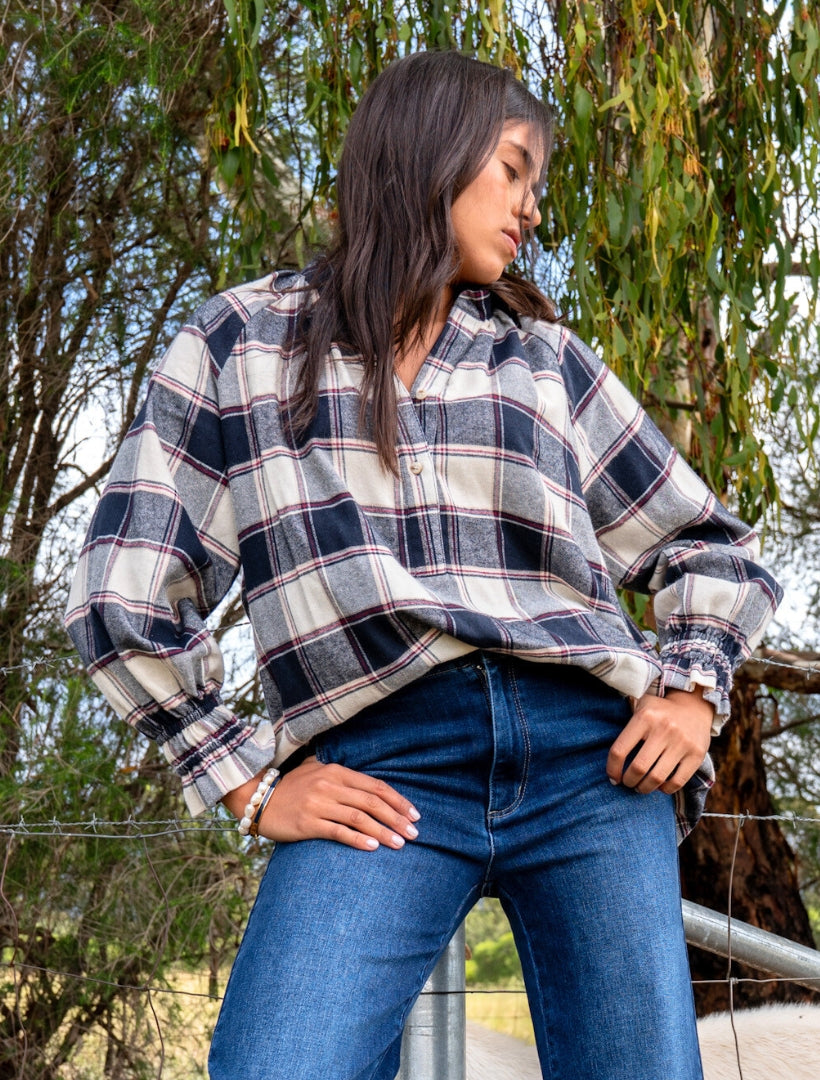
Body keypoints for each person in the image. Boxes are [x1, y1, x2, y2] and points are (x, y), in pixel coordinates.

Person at [65, 50, 781, 1080]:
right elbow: (121, 593)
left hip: (590, 758)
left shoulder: (542, 359)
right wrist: (248, 784)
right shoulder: (241, 344)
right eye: (513, 171)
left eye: (537, 184)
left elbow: (710, 545)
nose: (531, 207)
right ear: (430, 154)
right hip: (379, 764)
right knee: (275, 1067)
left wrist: (690, 694)